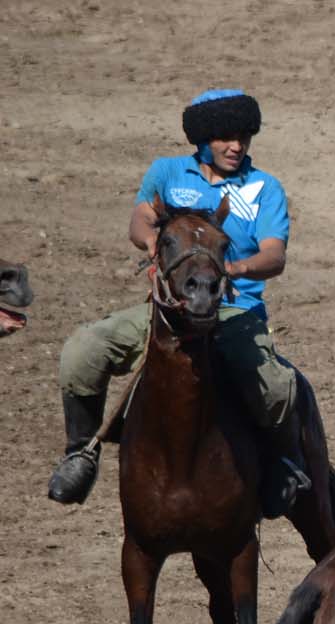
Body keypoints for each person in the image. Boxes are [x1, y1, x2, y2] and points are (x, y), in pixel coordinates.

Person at [48, 88, 306, 517]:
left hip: (234, 312)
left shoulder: (263, 188)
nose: (236, 146)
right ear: (202, 139)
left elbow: (273, 254)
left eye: (243, 136)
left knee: (278, 387)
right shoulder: (167, 174)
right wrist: (150, 240)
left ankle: (283, 464)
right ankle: (81, 453)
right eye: (225, 137)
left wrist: (232, 272)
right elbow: (141, 218)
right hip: (165, 314)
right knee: (83, 350)